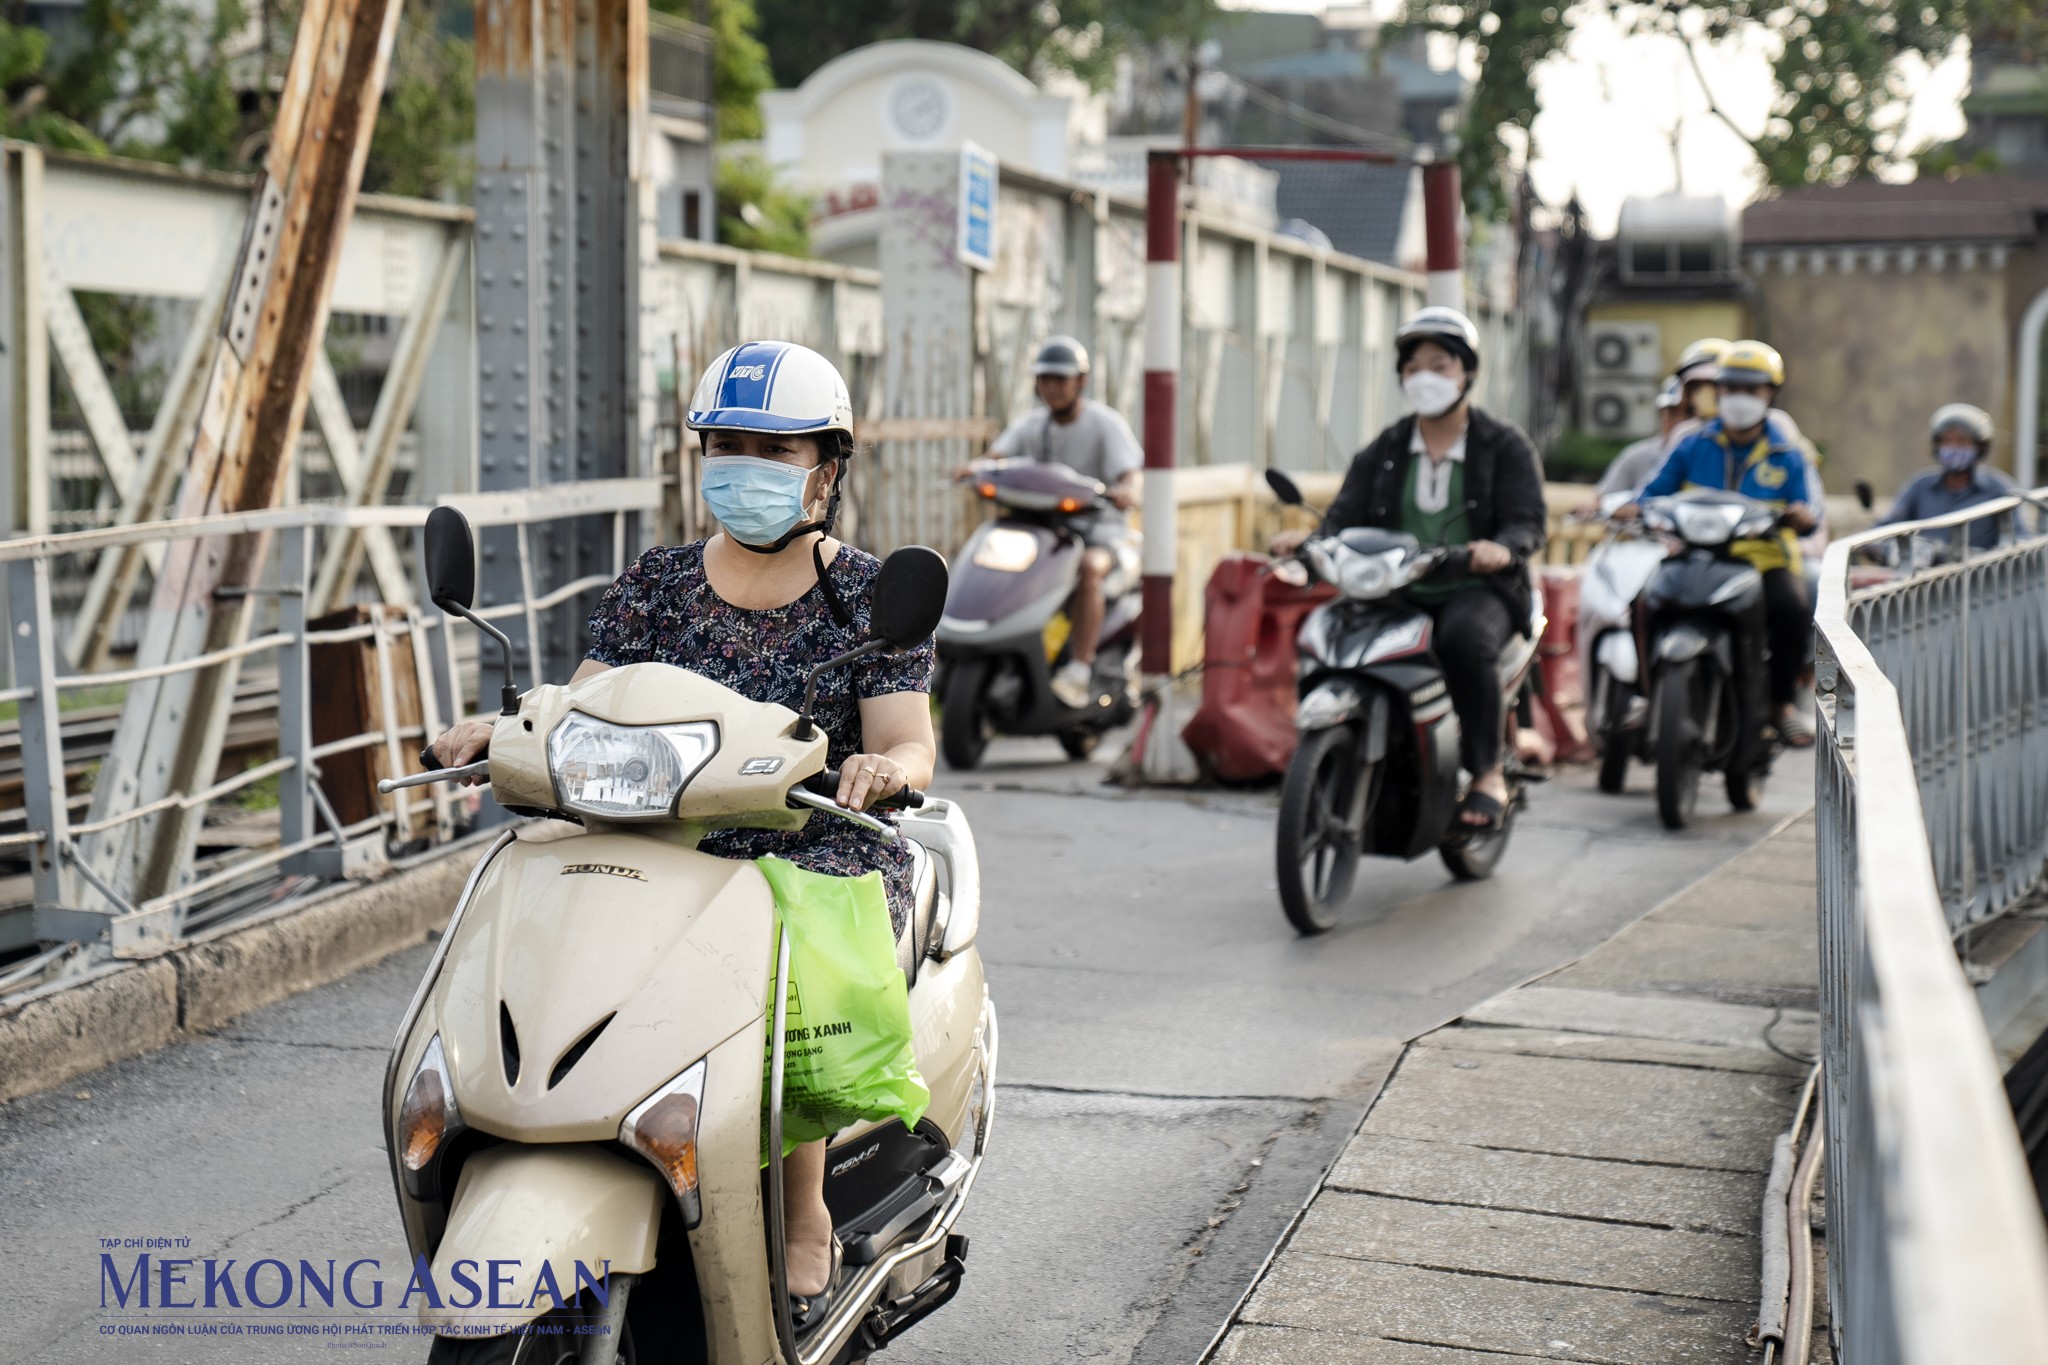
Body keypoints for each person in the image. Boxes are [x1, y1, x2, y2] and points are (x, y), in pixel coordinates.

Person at [427, 340, 934, 1327]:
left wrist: (882, 769)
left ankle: (801, 1213)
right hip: (659, 823)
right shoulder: (659, 581)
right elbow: (579, 703)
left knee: (789, 950)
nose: (747, 467)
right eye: (729, 445)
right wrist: (504, 728)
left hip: (805, 832)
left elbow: (908, 742)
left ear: (825, 467)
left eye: (775, 450)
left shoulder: (866, 593)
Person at [1271, 306, 1547, 830]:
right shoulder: (1387, 447)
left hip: (1478, 586)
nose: (1426, 378)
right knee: (1325, 632)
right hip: (1395, 587)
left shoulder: (1504, 445)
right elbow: (1342, 518)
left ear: (1468, 373)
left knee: (1464, 639)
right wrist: (1309, 544)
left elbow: (1528, 522)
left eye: (1440, 365)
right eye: (1414, 366)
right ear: (1401, 376)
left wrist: (1501, 548)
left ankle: (1485, 771)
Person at [1627, 339, 1818, 746]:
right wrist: (1634, 508)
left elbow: (1808, 508)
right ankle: (1646, 695)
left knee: (1792, 608)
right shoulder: (1693, 443)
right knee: (1643, 602)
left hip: (1764, 561)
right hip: (1694, 554)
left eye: (1752, 390)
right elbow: (1652, 491)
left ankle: (1781, 703)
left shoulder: (1788, 453)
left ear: (1770, 394)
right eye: (1731, 389)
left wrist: (1801, 515)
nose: (1739, 399)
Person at [975, 336, 1140, 708]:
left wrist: (1127, 489)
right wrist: (975, 470)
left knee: (1089, 568)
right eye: (1044, 379)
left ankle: (1080, 669)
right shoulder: (1031, 425)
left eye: (1060, 380)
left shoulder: (1105, 424)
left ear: (1080, 381)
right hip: (1045, 534)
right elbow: (996, 458)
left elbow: (1132, 475)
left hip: (1100, 534)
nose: (1051, 387)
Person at [1878, 403, 2016, 551]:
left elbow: (2021, 540)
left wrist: (1986, 557)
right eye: (1947, 441)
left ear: (1980, 446)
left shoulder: (1999, 488)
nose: (1953, 447)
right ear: (1936, 445)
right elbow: (1884, 531)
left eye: (1962, 441)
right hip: (1925, 572)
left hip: (1979, 572)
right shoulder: (1920, 485)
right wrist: (1894, 551)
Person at [1591, 374, 1686, 502]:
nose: (1680, 420)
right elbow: (1603, 499)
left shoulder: (1712, 455)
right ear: (1662, 414)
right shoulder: (1637, 456)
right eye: (1672, 412)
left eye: (1688, 412)